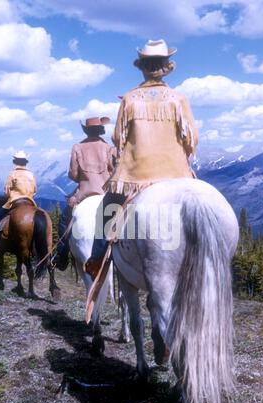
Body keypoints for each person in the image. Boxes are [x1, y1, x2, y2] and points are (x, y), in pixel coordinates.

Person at [85, 39, 199, 278]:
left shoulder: (130, 99)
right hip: (176, 174)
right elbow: (192, 139)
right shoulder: (178, 99)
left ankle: (96, 259)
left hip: (135, 176)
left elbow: (118, 138)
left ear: (142, 67)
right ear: (166, 66)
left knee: (107, 211)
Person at [54, 117, 116, 270]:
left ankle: (62, 256)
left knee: (64, 219)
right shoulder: (109, 148)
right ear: (101, 130)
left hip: (84, 193)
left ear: (86, 131)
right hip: (106, 194)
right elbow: (114, 171)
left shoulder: (77, 147)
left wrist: (83, 176)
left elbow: (73, 174)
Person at [0, 150, 37, 253]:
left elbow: (7, 191)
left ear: (15, 161)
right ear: (26, 162)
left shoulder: (12, 174)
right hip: (30, 201)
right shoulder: (31, 174)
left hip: (14, 200)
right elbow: (34, 190)